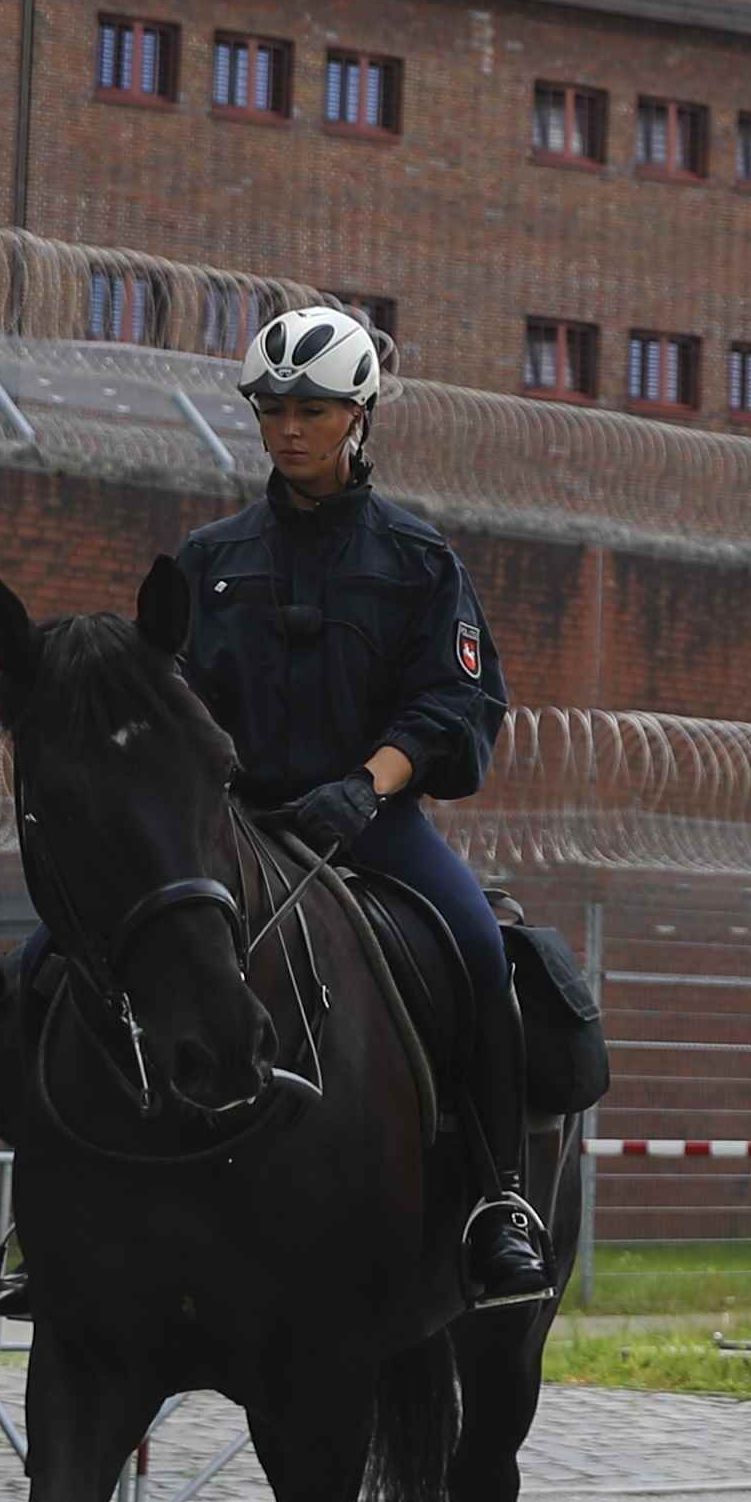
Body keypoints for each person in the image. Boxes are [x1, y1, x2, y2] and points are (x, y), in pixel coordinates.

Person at [170, 304, 554, 1308]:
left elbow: (452, 704)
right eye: (271, 408)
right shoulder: (206, 564)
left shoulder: (420, 561)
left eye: (311, 408)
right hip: (234, 832)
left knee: (480, 957)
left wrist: (365, 784)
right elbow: (166, 701)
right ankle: (55, 1215)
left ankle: (498, 1200)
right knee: (76, 955)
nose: (288, 428)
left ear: (358, 415)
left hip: (371, 828)